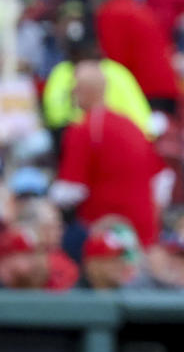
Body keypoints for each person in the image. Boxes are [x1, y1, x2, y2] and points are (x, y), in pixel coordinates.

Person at [51, 62, 168, 248]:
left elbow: (71, 190)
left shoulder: (84, 129)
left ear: (82, 91)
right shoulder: (131, 125)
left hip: (103, 233)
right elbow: (163, 179)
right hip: (144, 232)